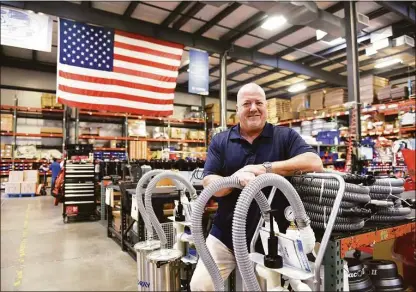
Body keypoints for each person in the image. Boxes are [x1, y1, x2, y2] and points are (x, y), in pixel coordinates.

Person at [190, 83, 323, 291]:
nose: (253, 108)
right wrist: (234, 179)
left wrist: (265, 168)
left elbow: (314, 162)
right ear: (237, 110)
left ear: (266, 107)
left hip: (272, 237)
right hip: (226, 234)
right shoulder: (221, 141)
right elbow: (210, 184)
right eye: (247, 103)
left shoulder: (284, 137)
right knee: (200, 286)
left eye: (259, 103)